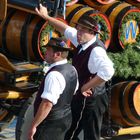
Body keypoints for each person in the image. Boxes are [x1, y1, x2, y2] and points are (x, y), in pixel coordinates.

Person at [35, 4, 115, 140]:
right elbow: (64, 28)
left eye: (82, 31)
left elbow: (108, 71)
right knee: (72, 131)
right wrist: (46, 16)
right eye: (78, 30)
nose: (78, 33)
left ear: (92, 33)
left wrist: (86, 86)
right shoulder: (82, 40)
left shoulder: (96, 50)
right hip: (82, 98)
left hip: (92, 100)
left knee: (87, 135)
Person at [28, 37, 78, 140]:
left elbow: (47, 104)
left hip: (50, 124)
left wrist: (33, 126)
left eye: (48, 50)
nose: (45, 52)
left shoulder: (54, 75)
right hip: (65, 119)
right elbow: (73, 90)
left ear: (58, 54)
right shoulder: (72, 69)